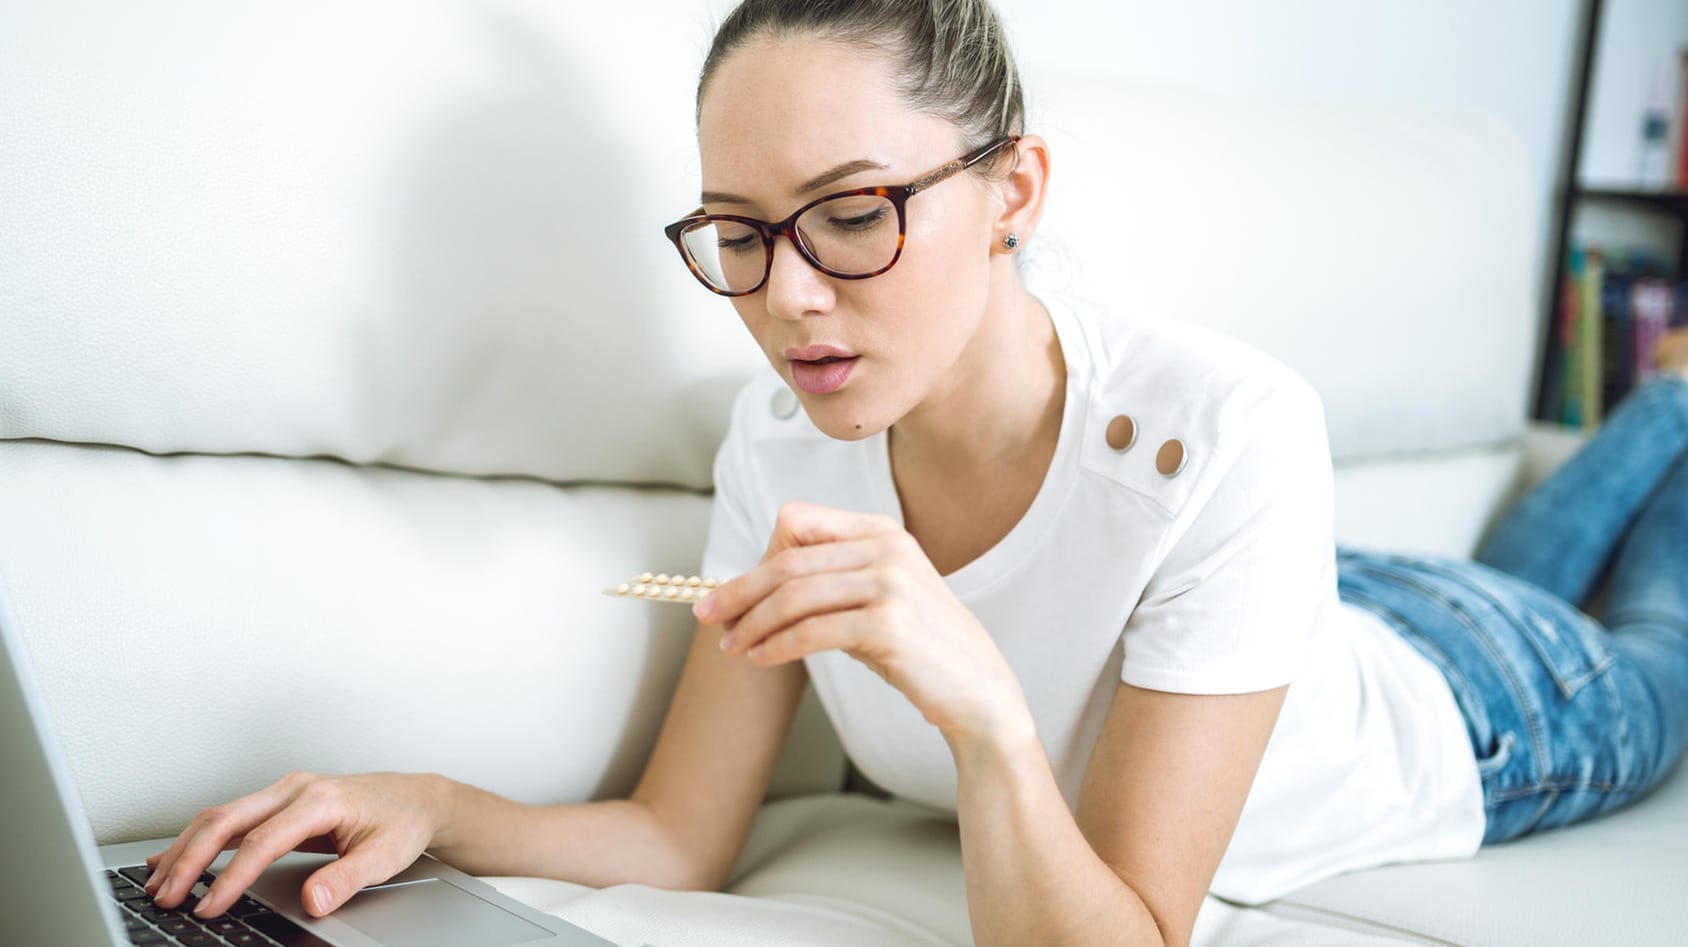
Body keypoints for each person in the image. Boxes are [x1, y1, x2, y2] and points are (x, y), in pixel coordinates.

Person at [144, 2, 1688, 945]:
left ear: (1013, 189)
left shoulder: (1231, 425)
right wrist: (431, 802)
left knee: (1654, 635)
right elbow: (681, 838)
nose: (789, 298)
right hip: (1292, 614)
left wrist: (983, 712)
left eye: (853, 212)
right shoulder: (781, 441)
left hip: (1477, 709)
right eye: (738, 232)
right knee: (1518, 560)